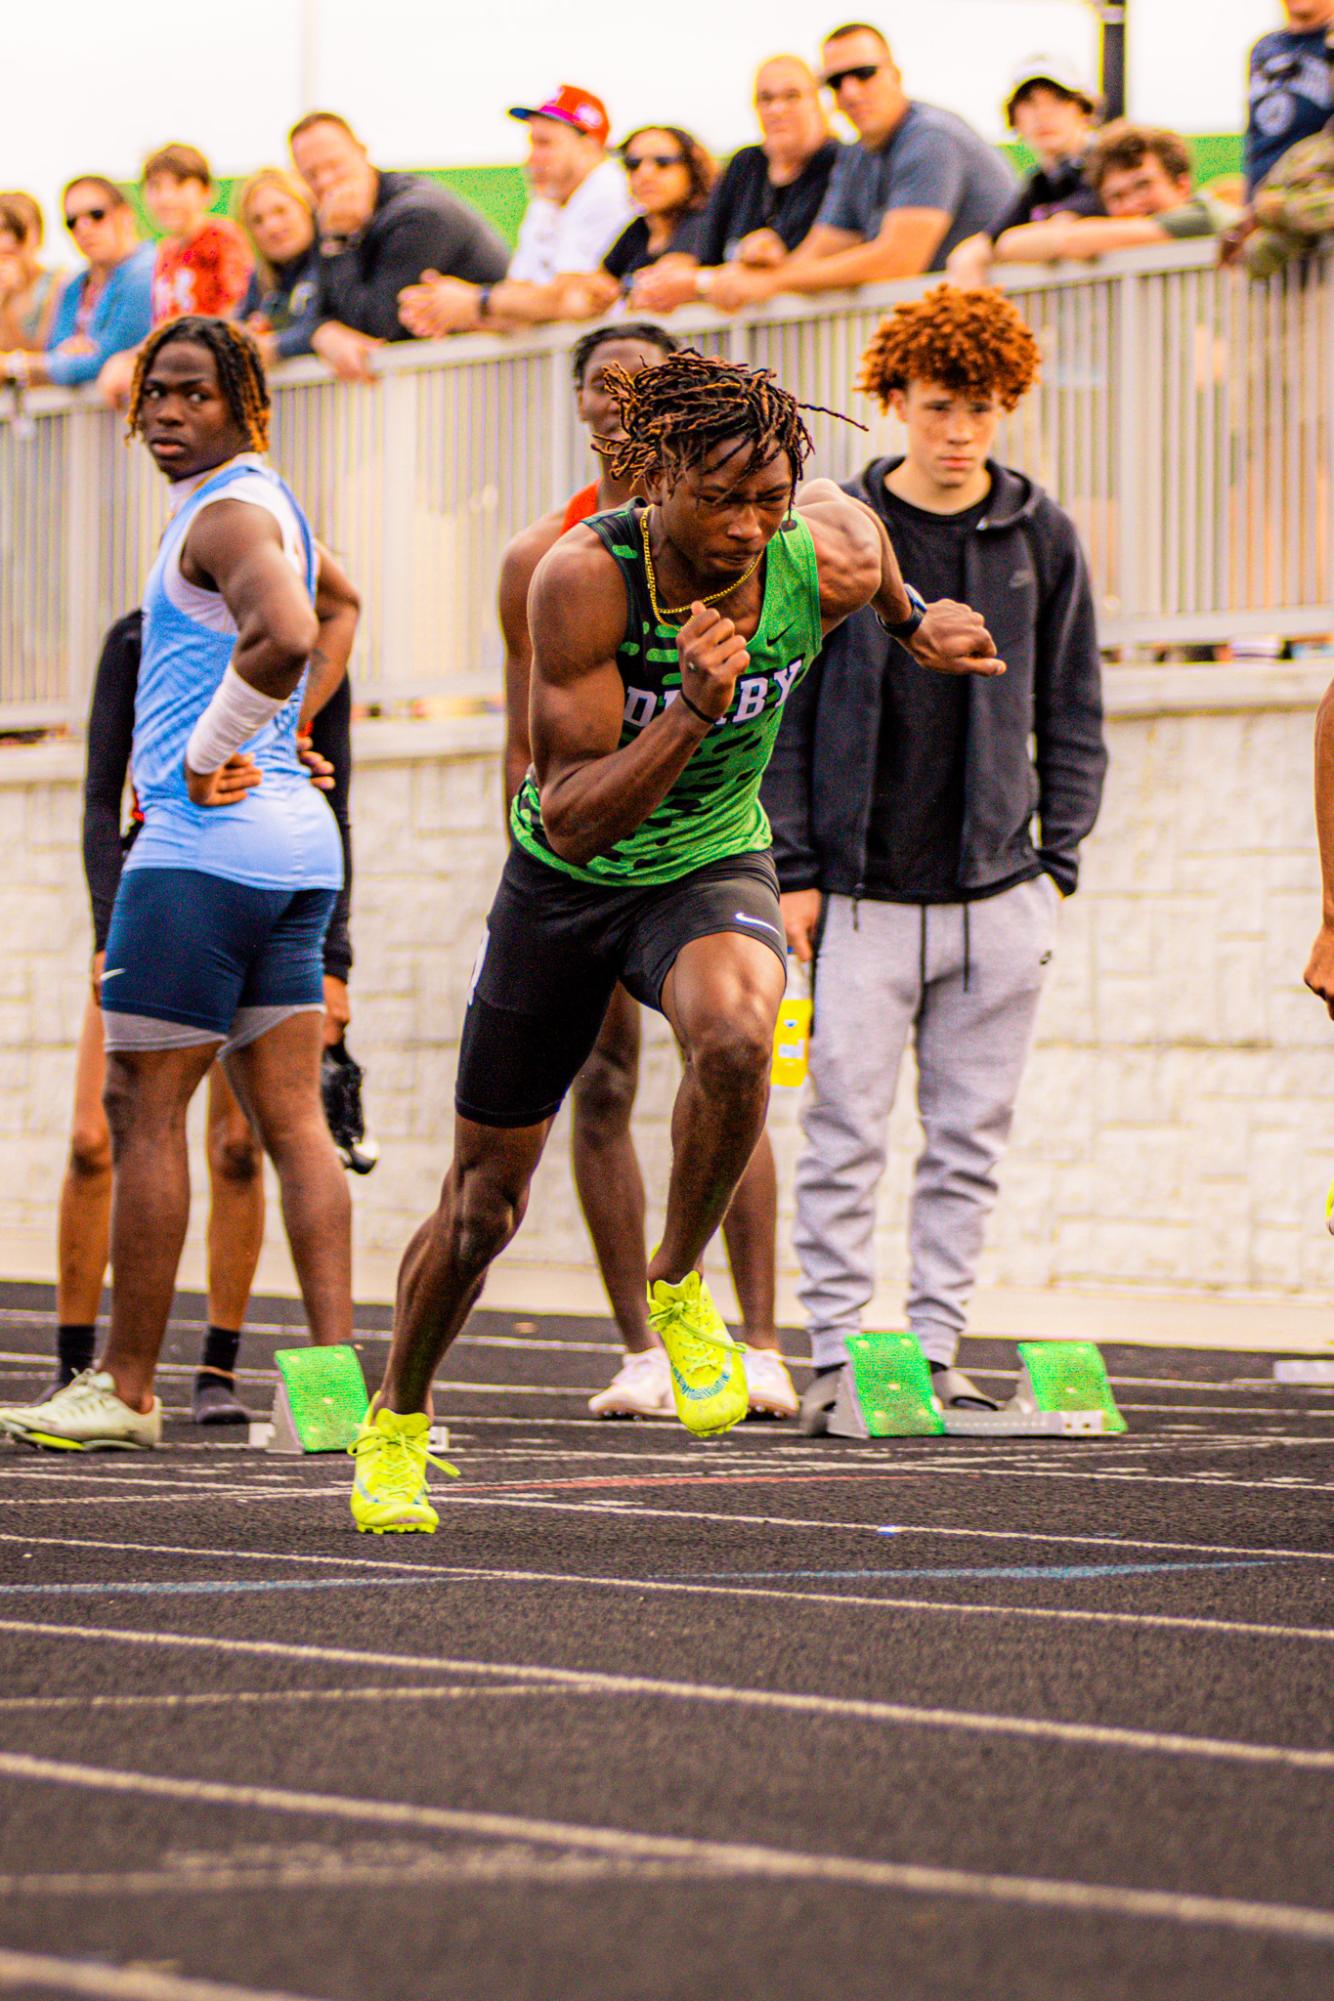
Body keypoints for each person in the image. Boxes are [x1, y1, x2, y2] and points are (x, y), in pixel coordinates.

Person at [346, 347, 1004, 1533]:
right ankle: (395, 1416)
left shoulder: (824, 549)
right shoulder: (578, 581)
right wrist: (696, 709)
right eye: (719, 500)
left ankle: (674, 1286)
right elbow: (571, 814)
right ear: (655, 479)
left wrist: (910, 627)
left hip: (707, 861)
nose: (748, 528)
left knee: (739, 1036)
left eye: (767, 499)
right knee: (482, 1203)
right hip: (568, 882)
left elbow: (864, 541)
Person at [0, 318, 359, 1451]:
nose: (165, 412)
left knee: (141, 1113)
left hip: (201, 856)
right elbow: (338, 607)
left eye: (194, 395)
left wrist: (214, 747)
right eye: (154, 393)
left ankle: (129, 1389)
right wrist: (286, 725)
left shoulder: (225, 514)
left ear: (244, 402)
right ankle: (334, 1404)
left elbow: (289, 629)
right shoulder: (271, 505)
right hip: (294, 852)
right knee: (294, 1124)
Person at [763, 286, 1106, 1424]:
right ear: (895, 400)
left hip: (999, 893)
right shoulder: (835, 529)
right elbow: (788, 711)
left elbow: (1072, 704)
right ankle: (833, 1363)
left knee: (967, 1141)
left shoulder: (1038, 531)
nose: (961, 428)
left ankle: (933, 1352)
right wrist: (797, 870)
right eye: (941, 404)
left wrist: (1055, 864)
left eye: (985, 407)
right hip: (856, 893)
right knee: (844, 1133)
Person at [499, 322, 792, 1420]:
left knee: (729, 1054)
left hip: (708, 845)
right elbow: (527, 736)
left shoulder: (762, 525)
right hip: (582, 852)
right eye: (598, 382)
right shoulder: (549, 557)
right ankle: (640, 1345)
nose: (617, 399)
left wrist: (779, 864)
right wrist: (527, 868)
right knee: (604, 1087)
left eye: (640, 382)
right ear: (579, 403)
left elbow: (777, 693)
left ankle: (752, 1337)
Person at [51, 577, 368, 1423]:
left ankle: (164, 1383)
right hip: (171, 893)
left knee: (235, 1134)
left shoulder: (296, 640)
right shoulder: (139, 635)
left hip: (230, 879)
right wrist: (103, 927)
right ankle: (86, 1369)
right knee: (105, 1137)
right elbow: (99, 791)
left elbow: (339, 795)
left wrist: (336, 957)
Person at [708, 23, 1015, 312]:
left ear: (895, 75)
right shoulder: (857, 154)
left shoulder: (930, 137)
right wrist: (756, 269)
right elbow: (818, 253)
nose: (850, 91)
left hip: (1020, 326)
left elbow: (897, 261)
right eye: (836, 81)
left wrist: (772, 281)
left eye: (864, 73)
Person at [287, 111, 509, 381]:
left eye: (335, 165)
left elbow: (375, 329)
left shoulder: (418, 215)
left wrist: (338, 243)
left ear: (362, 152)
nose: (325, 182)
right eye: (311, 174)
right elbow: (307, 310)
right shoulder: (327, 218)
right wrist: (319, 333)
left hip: (488, 382)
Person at [397, 86, 633, 338]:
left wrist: (477, 301)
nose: (532, 158)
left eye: (545, 143)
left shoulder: (607, 186)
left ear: (590, 147)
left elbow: (569, 299)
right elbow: (520, 301)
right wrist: (445, 310)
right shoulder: (546, 205)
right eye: (532, 144)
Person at [633, 57, 839, 316]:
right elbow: (702, 253)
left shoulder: (841, 164)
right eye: (766, 98)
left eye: (791, 96)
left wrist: (702, 282)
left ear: (821, 102)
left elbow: (811, 262)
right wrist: (662, 281)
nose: (777, 109)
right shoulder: (745, 165)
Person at [96, 145, 254, 406]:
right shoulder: (165, 252)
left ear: (206, 192)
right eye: (156, 187)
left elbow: (235, 308)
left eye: (179, 185)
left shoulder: (221, 238)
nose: (166, 198)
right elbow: (163, 323)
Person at [946, 58, 1103, 288]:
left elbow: (1052, 234)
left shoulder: (1109, 166)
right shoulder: (1039, 183)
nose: (1043, 114)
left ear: (1084, 111)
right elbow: (982, 245)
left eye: (1058, 100)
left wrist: (1008, 246)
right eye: (1029, 103)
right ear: (1014, 118)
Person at [994, 122, 1238, 266]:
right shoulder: (1124, 241)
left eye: (1143, 185)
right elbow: (1008, 245)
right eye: (1117, 197)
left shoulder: (1204, 216)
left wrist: (1067, 232)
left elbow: (1070, 242)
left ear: (1182, 185)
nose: (1132, 204)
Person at [0, 177, 153, 393]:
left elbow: (106, 359)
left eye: (96, 215)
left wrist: (14, 365)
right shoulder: (76, 286)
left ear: (125, 214)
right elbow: (55, 351)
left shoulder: (147, 274)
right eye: (72, 222)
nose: (84, 227)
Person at [1244, 0, 1334, 196]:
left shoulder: (1329, 46)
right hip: (1264, 198)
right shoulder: (1265, 48)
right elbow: (1256, 135)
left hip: (1314, 196)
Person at [236, 169, 321, 363]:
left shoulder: (334, 261)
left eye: (281, 211)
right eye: (257, 220)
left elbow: (325, 325)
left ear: (306, 207)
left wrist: (274, 347)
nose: (271, 227)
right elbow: (235, 336)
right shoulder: (259, 281)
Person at [0, 194, 59, 353]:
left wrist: (5, 307)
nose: (9, 239)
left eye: (19, 230)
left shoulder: (56, 283)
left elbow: (40, 360)